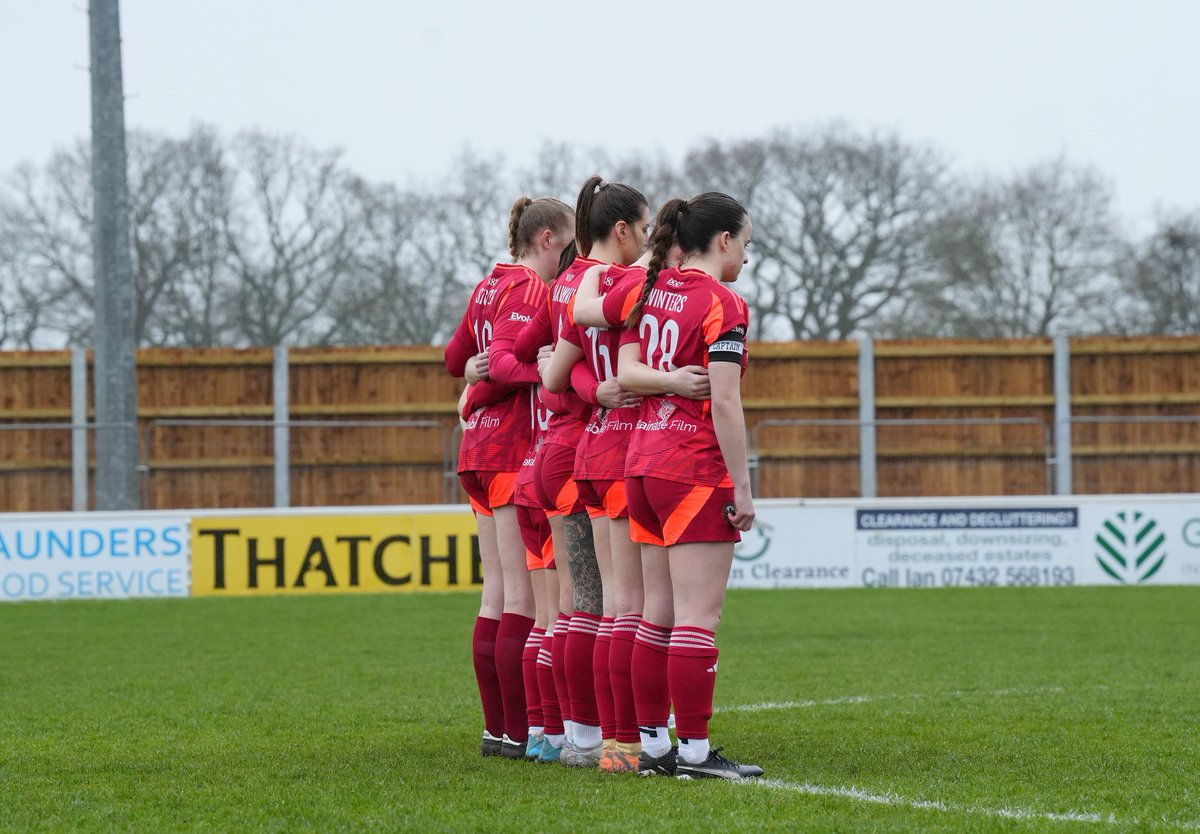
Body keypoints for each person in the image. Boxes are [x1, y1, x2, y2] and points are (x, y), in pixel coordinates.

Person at [615, 192, 764, 780]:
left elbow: (629, 368)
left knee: (656, 616)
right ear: (722, 240)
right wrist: (744, 488)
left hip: (642, 465)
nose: (747, 257)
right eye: (746, 243)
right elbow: (724, 401)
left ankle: (653, 748)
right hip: (693, 469)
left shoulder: (651, 289)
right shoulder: (723, 303)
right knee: (698, 618)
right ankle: (696, 755)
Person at [444, 195, 575, 759]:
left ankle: (498, 730)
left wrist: (474, 381)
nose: (573, 253)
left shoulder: (487, 284)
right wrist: (546, 371)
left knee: (494, 593)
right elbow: (492, 363)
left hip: (477, 447)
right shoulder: (527, 287)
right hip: (507, 450)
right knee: (517, 595)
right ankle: (519, 731)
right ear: (547, 238)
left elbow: (458, 357)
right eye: (569, 242)